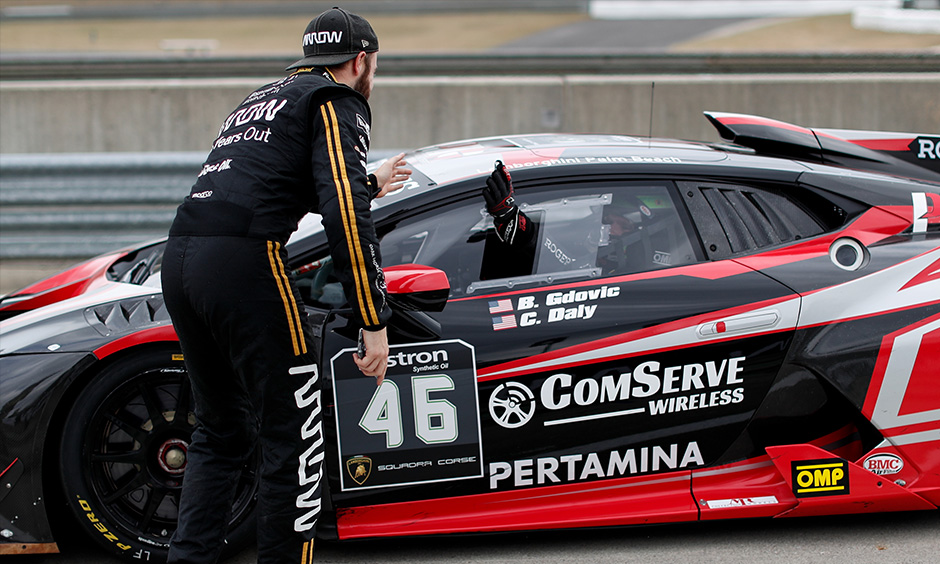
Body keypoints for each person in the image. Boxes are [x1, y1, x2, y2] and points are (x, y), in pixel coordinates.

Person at [160, 7, 411, 563]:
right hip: (246, 265)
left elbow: (273, 185)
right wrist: (374, 318)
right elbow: (343, 213)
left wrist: (368, 181)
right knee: (294, 436)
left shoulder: (260, 100)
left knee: (221, 431)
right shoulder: (338, 101)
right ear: (362, 59)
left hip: (180, 259)